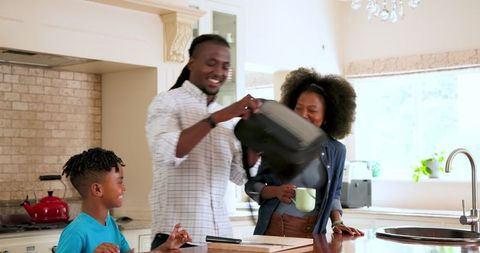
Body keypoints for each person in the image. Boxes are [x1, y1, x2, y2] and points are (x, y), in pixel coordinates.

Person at [145, 34, 260, 247]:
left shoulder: (227, 119)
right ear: (191, 63)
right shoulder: (167, 102)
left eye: (225, 66)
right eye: (211, 63)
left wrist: (256, 137)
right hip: (176, 241)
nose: (219, 72)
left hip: (221, 238)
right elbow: (172, 151)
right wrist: (216, 118)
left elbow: (239, 175)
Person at [245, 67, 364, 238]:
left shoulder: (337, 150)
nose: (303, 115)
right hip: (278, 230)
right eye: (298, 108)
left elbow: (334, 194)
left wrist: (337, 222)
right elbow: (252, 186)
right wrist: (276, 192)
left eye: (312, 110)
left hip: (315, 233)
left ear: (327, 116)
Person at [57, 147, 191, 253]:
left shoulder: (110, 224)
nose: (124, 188)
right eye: (119, 182)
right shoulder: (76, 232)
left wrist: (165, 248)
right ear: (97, 189)